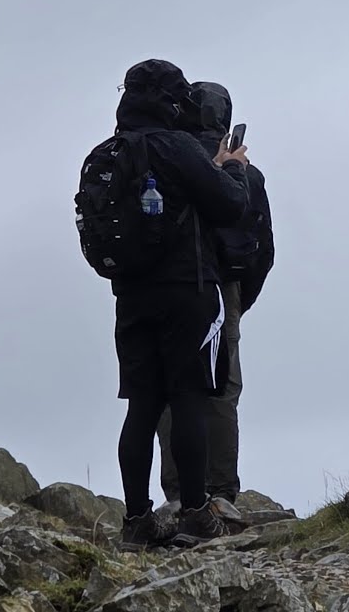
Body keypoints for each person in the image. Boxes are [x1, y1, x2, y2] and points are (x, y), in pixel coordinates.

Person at [109, 60, 250, 548]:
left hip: (130, 294)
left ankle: (136, 520)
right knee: (189, 398)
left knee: (142, 406)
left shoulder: (110, 151)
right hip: (188, 290)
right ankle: (195, 513)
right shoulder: (178, 147)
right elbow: (230, 204)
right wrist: (233, 169)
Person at [156, 81, 274, 514]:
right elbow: (263, 248)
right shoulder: (246, 174)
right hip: (226, 289)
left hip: (172, 287)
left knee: (171, 388)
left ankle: (177, 494)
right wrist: (239, 297)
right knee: (223, 390)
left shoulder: (169, 164)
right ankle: (222, 492)